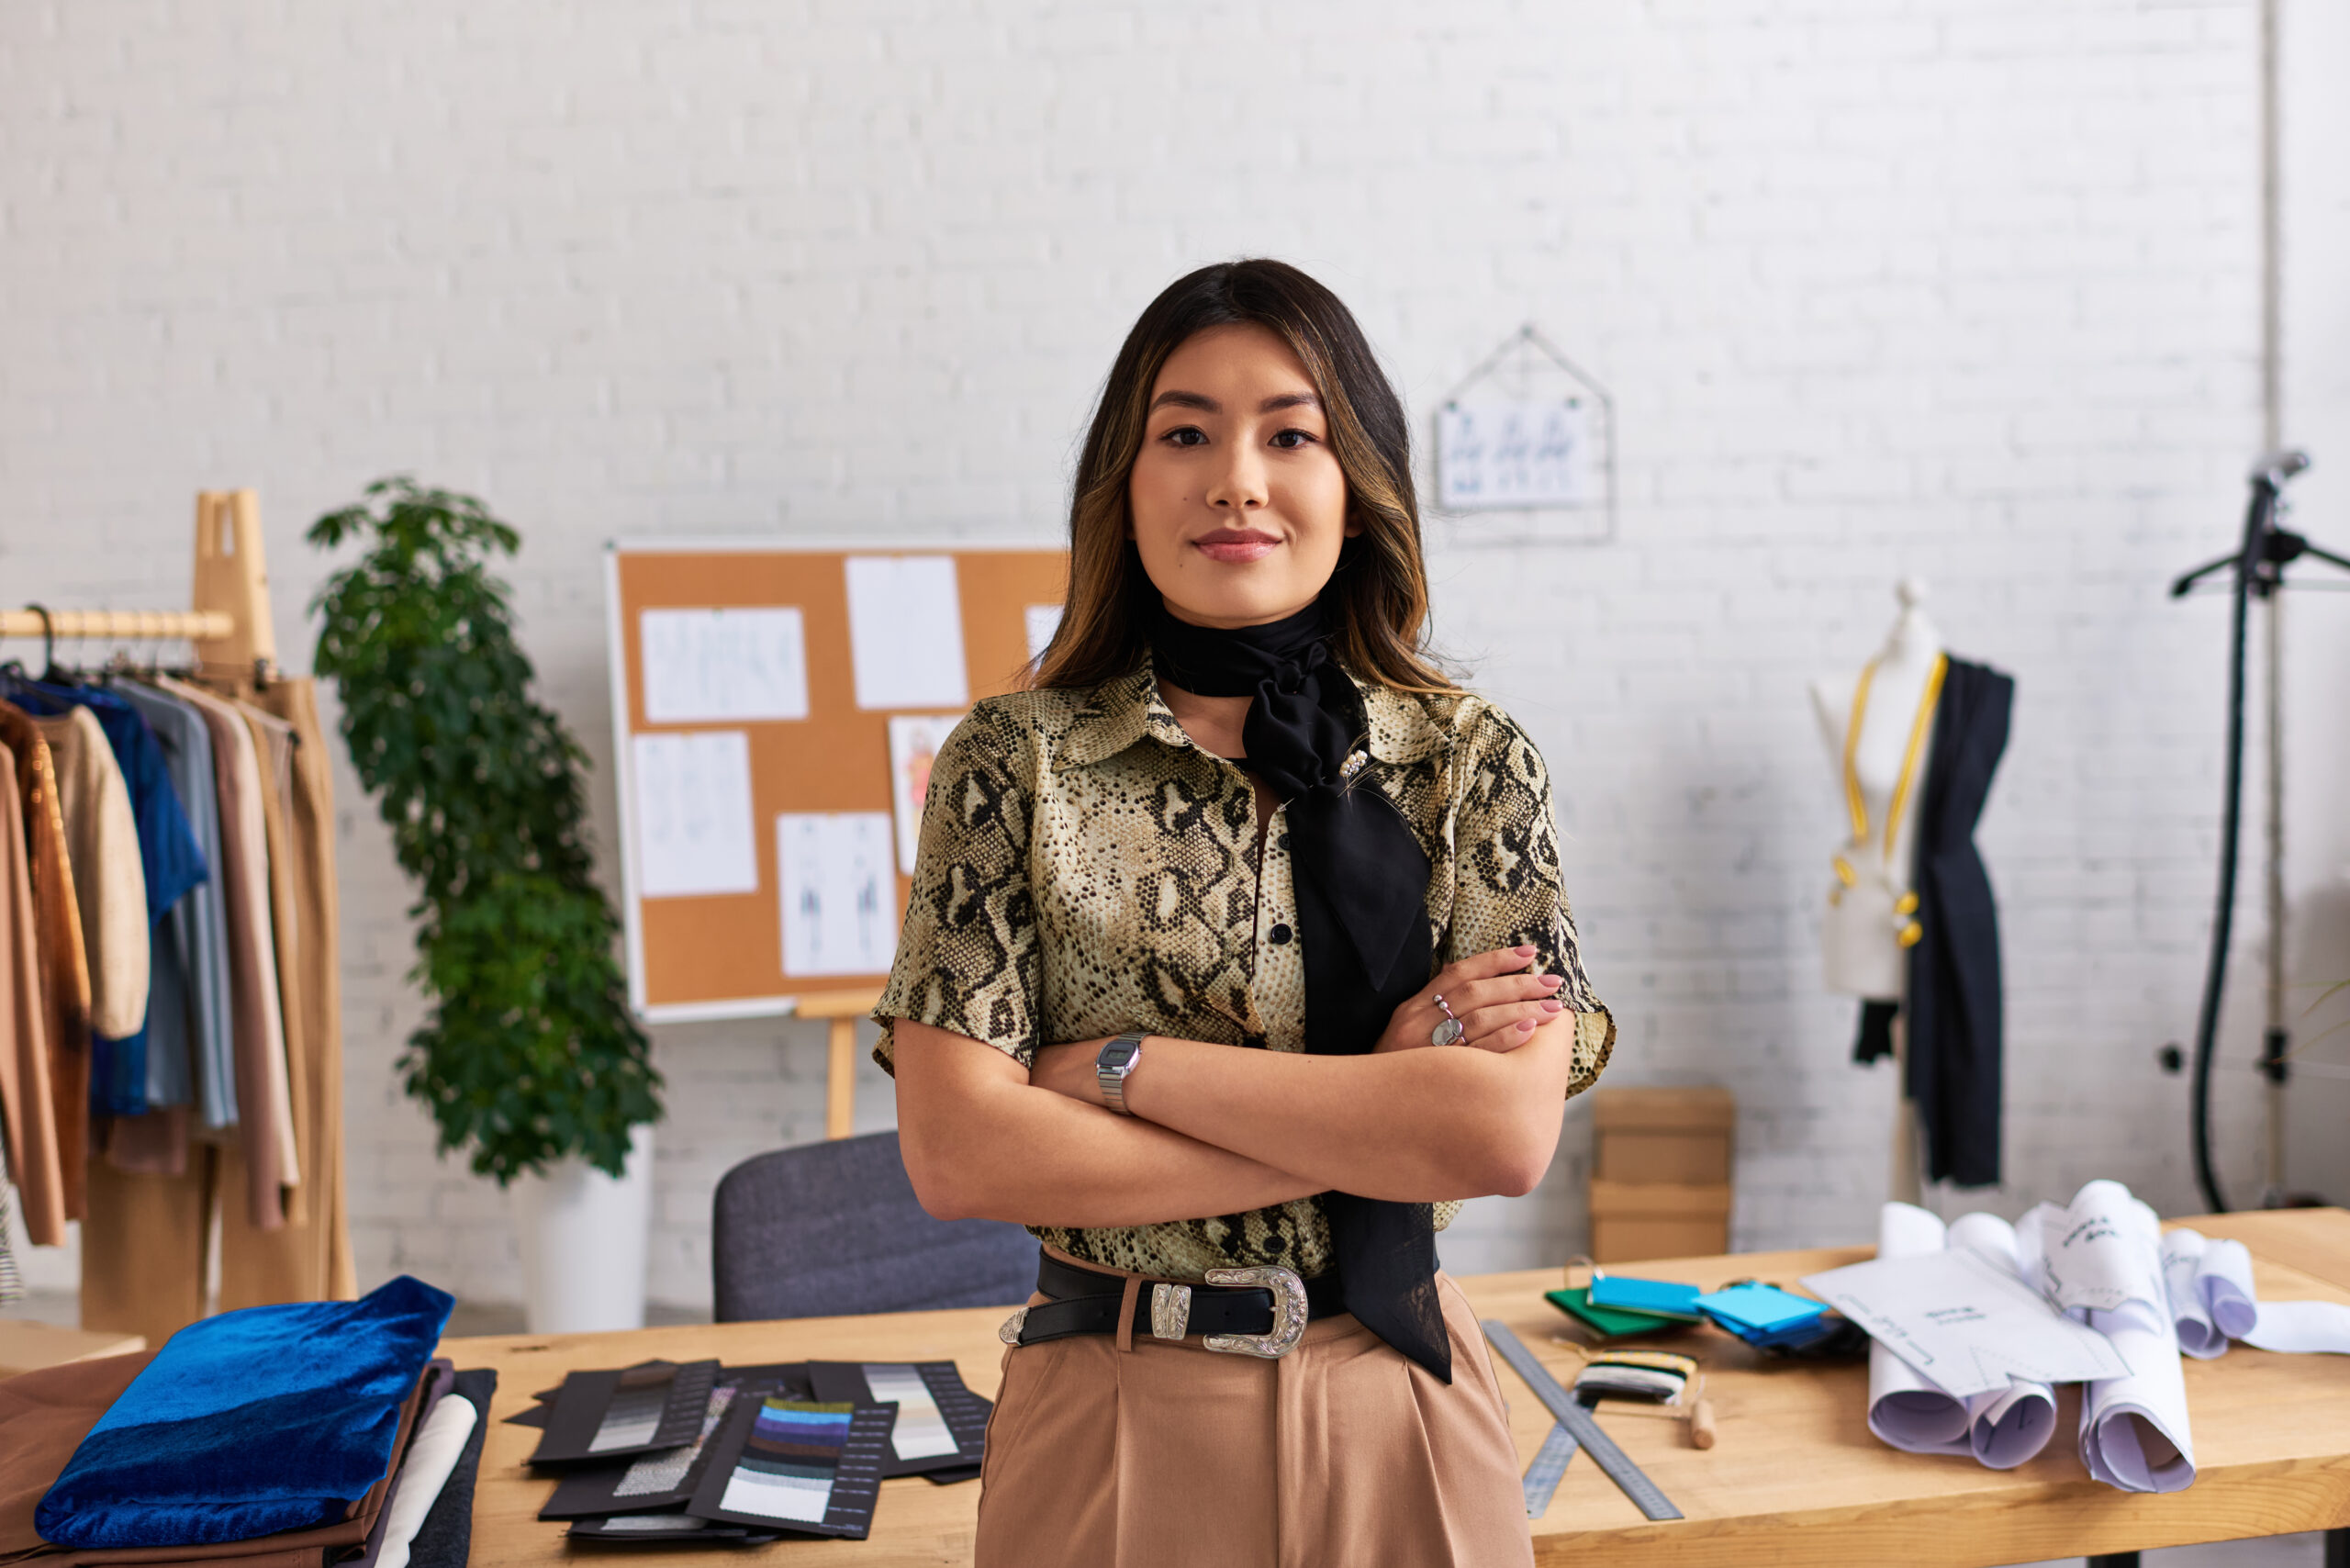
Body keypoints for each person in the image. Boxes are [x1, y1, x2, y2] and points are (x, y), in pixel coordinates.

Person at [875, 258, 1614, 1567]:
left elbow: (1498, 1134)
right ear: (1127, 478)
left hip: (1406, 1406)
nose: (1237, 479)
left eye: (1291, 434)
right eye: (1185, 433)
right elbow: (960, 1155)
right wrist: (1380, 1109)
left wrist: (1125, 1071)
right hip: (1111, 1415)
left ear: (1356, 483)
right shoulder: (1015, 763)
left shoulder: (1468, 762)